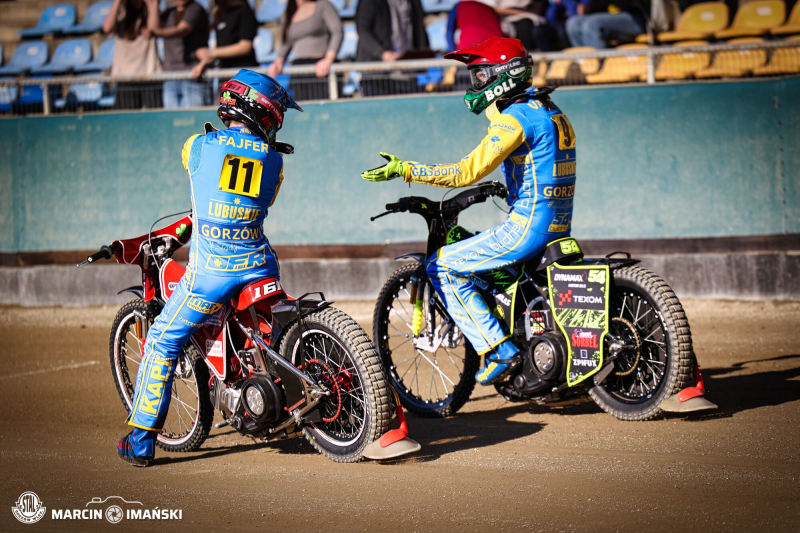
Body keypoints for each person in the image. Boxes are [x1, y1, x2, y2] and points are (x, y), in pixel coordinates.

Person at [362, 36, 577, 386]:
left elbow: (466, 172)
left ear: (503, 74)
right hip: (558, 224)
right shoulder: (549, 110)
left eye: (480, 75)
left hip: (525, 229)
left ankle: (499, 351)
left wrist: (405, 169)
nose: (476, 83)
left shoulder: (515, 117)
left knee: (441, 265)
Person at [117, 70, 303, 467]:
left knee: (162, 342)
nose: (275, 126)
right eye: (274, 118)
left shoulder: (197, 145)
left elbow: (201, 177)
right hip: (260, 264)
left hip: (212, 272)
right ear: (260, 112)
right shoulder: (275, 162)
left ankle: (140, 442)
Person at [267, 0, 343, 101]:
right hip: (299, 70)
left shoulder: (323, 5)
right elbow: (286, 42)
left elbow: (337, 31)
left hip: (321, 68)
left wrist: (328, 59)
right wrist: (278, 61)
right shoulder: (288, 13)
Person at [145, 0, 210, 108]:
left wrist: (156, 33)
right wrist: (154, 4)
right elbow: (152, 27)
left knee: (193, 120)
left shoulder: (195, 9)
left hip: (193, 74)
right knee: (172, 120)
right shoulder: (170, 12)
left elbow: (182, 30)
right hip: (170, 76)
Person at [103, 0, 162, 109]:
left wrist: (152, 4)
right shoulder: (122, 11)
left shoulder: (150, 8)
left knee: (154, 120)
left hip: (149, 74)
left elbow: (154, 28)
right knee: (126, 122)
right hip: (126, 77)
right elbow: (107, 27)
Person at [194, 0, 259, 76]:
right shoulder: (221, 14)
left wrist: (212, 53)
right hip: (225, 73)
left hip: (243, 73)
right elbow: (220, 47)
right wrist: (204, 63)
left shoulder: (244, 12)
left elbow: (246, 46)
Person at [565, 0, 649, 48]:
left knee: (592, 25)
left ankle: (601, 65)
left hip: (634, 18)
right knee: (573, 23)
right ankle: (585, 65)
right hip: (607, 17)